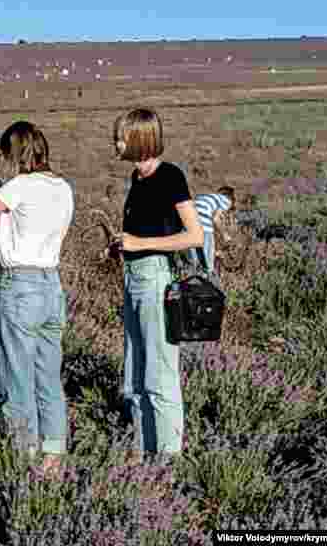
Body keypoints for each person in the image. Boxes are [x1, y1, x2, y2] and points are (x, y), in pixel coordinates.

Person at [0, 120, 75, 475]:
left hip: (20, 287)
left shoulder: (21, 186)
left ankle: (24, 458)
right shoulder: (63, 187)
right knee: (48, 376)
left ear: (14, 154)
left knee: (17, 377)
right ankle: (53, 456)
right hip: (51, 285)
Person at [110, 108, 204, 457]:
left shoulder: (170, 177)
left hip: (155, 278)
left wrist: (140, 243)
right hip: (133, 276)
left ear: (139, 138)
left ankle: (168, 459)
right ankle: (143, 454)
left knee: (160, 374)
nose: (115, 143)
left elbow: (194, 235)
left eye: (120, 137)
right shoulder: (137, 178)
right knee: (135, 374)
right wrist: (123, 246)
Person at [188, 186, 236, 276]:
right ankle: (207, 278)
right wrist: (225, 234)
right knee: (207, 260)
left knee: (195, 258)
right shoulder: (227, 201)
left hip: (188, 222)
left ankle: (194, 275)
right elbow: (216, 219)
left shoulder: (207, 197)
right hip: (203, 225)